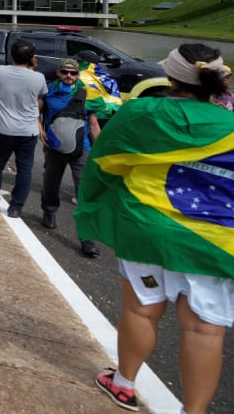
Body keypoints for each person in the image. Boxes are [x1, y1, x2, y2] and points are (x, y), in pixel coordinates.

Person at [76, 43, 234, 414]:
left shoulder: (144, 111)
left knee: (142, 311)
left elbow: (105, 161)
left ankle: (125, 384)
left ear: (171, 76)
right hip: (217, 240)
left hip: (148, 227)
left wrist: (95, 204)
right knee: (205, 330)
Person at [39, 57, 101, 258]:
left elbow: (93, 124)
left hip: (81, 148)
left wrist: (99, 149)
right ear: (58, 72)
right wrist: (40, 130)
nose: (68, 76)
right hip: (55, 145)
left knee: (84, 190)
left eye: (73, 73)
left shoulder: (86, 94)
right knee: (51, 183)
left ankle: (87, 238)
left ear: (78, 75)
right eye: (65, 72)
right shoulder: (49, 90)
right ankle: (49, 211)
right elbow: (35, 111)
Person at [0, 39, 46, 218]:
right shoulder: (38, 77)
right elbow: (41, 94)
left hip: (3, 127)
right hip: (28, 130)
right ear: (32, 58)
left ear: (10, 55)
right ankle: (16, 207)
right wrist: (32, 67)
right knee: (24, 169)